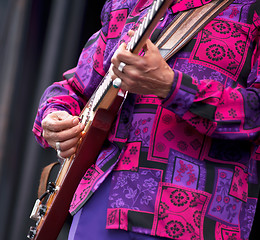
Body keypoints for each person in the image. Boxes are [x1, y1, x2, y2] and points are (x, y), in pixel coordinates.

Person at [33, 0, 260, 239]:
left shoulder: (251, 9)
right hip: (98, 202)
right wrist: (54, 116)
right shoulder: (126, 5)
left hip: (191, 218)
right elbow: (74, 88)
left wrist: (172, 86)